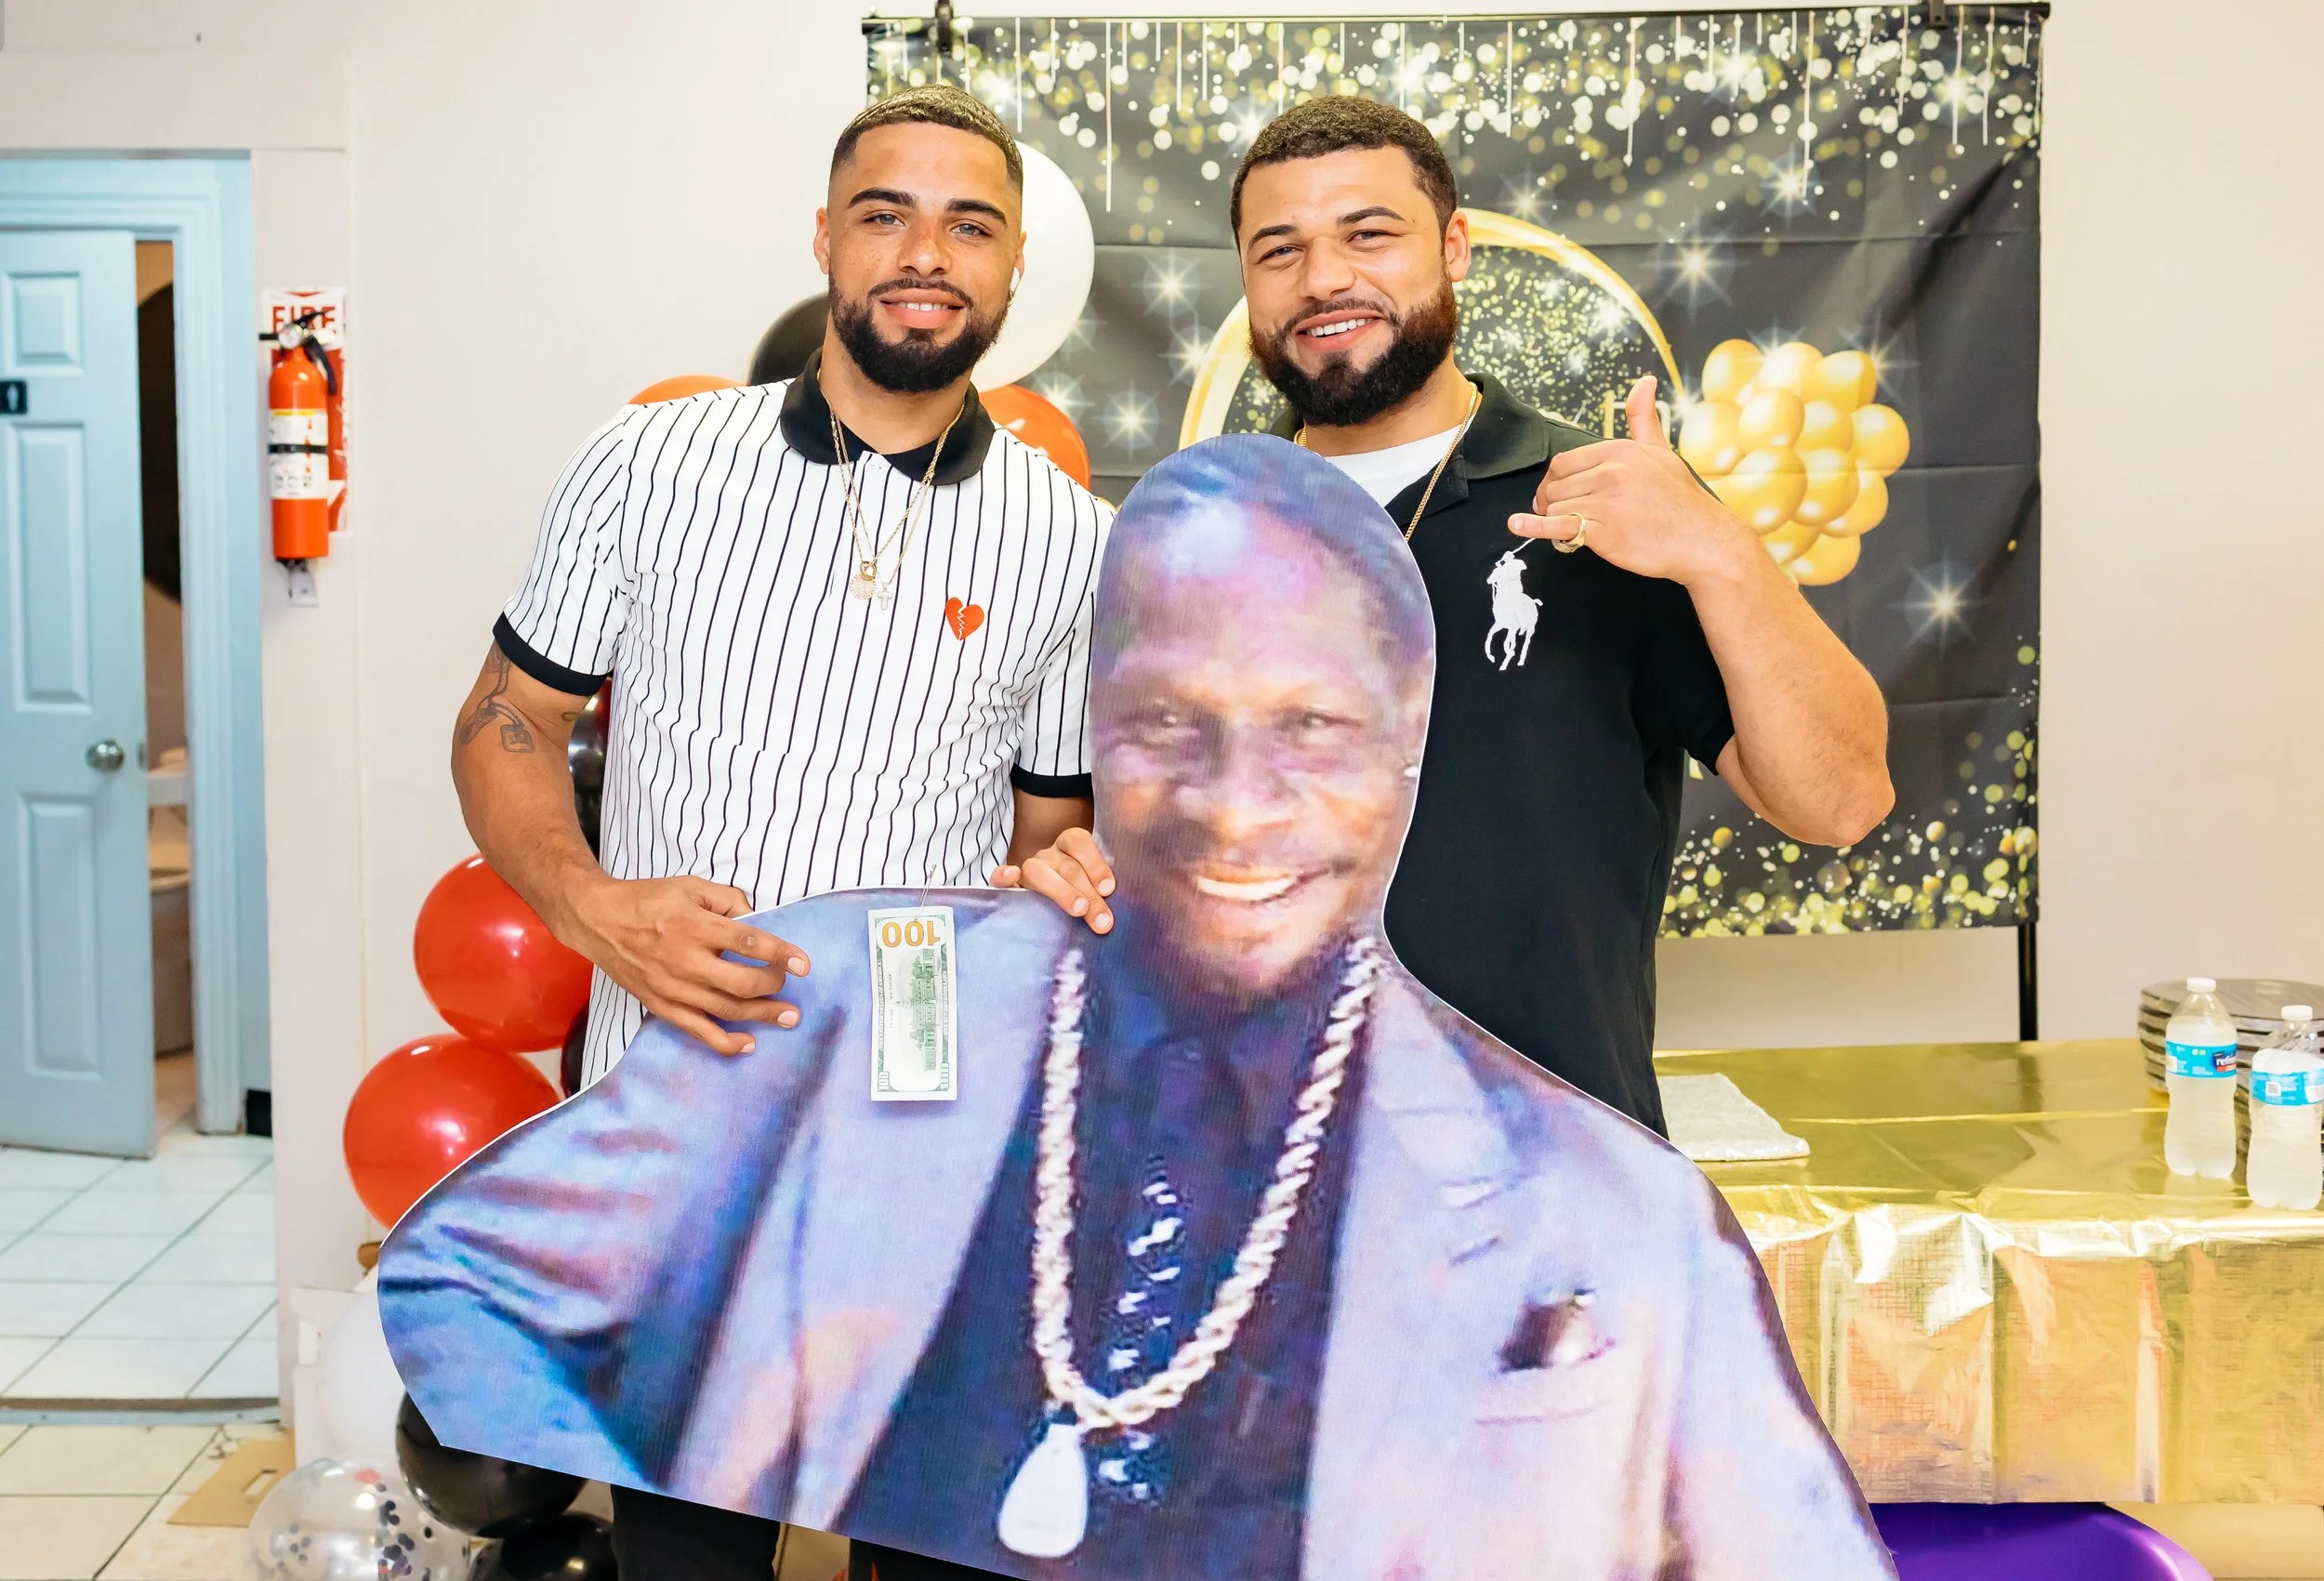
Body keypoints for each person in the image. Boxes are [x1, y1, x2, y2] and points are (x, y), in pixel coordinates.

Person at [385, 439, 1894, 1581]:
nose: (1239, 805)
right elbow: (474, 1284)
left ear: (1401, 761)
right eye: (1174, 725)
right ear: (1106, 737)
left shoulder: (1606, 1222)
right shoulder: (965, 1061)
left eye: (1310, 728)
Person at [444, 84, 1111, 1581]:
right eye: (886, 213)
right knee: (692, 1561)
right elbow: (506, 722)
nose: (924, 253)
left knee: (938, 1555)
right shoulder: (656, 464)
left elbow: (1049, 835)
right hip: (683, 1122)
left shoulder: (1074, 539)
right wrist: (588, 905)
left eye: (969, 224)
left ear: (1012, 270)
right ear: (824, 237)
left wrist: (1069, 874)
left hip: (929, 1145)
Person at [1002, 97, 1894, 1136]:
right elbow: (1140, 863)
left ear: (1454, 247)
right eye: (1278, 250)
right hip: (1253, 1176)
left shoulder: (1599, 505)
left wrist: (1718, 551)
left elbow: (1839, 801)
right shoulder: (1196, 537)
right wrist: (1073, 874)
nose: (1324, 278)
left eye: (1368, 234)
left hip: (1548, 1184)